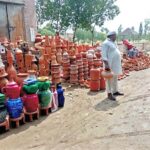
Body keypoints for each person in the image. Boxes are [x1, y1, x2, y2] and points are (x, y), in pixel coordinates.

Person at [101, 31, 124, 101]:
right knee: (109, 79)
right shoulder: (105, 43)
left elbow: (116, 52)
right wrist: (106, 65)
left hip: (115, 64)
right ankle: (109, 93)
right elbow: (104, 55)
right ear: (111, 36)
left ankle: (115, 91)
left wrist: (120, 58)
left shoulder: (113, 43)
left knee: (115, 77)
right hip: (109, 64)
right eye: (115, 36)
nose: (116, 37)